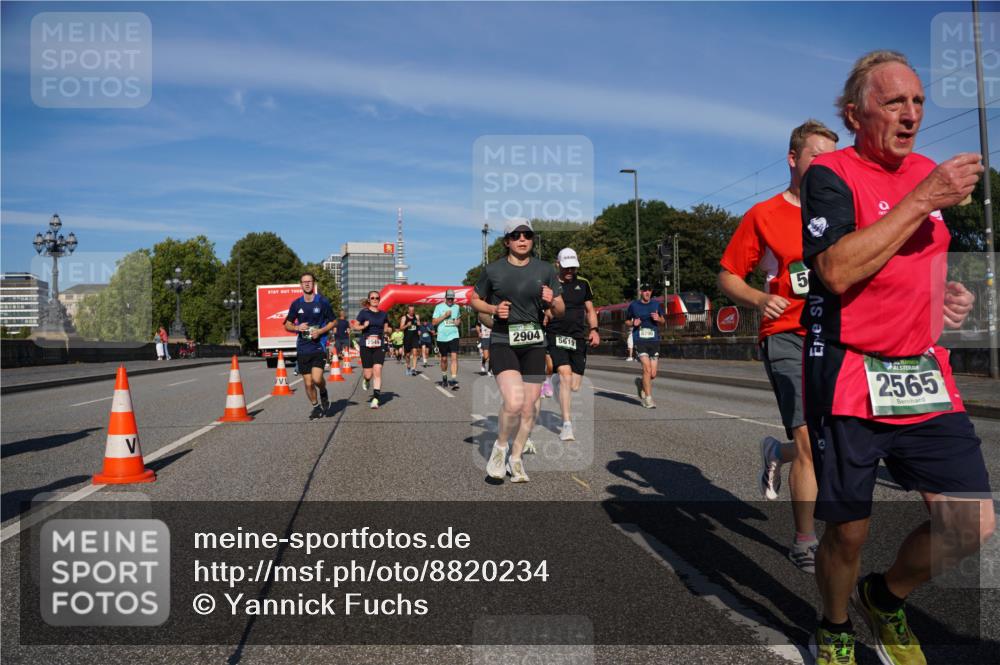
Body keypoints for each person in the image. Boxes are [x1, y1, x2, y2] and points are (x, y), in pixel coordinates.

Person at [800, 50, 993, 665]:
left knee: (972, 523)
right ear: (855, 114)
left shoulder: (929, 173)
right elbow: (835, 270)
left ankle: (884, 596)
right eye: (893, 103)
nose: (911, 115)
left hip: (923, 370)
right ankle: (833, 626)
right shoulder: (831, 174)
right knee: (850, 529)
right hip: (853, 369)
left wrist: (945, 298)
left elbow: (922, 262)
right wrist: (922, 197)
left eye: (917, 102)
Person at [719, 119, 839, 573]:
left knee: (831, 440)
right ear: (793, 159)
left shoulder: (846, 211)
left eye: (833, 158)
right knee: (808, 438)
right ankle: (805, 541)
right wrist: (759, 299)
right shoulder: (764, 215)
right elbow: (728, 273)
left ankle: (775, 453)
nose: (826, 166)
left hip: (836, 334)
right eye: (816, 157)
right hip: (786, 334)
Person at [470, 218, 564, 483]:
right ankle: (500, 448)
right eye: (516, 235)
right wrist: (492, 309)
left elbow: (560, 310)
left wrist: (552, 301)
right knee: (513, 402)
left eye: (527, 235)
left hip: (534, 343)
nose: (522, 239)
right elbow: (474, 299)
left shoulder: (545, 270)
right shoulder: (493, 270)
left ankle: (516, 457)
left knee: (530, 407)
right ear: (507, 241)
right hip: (503, 340)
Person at [544, 248, 600, 442]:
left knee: (575, 385)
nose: (570, 271)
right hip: (556, 334)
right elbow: (543, 309)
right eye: (567, 267)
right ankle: (566, 425)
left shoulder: (583, 284)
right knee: (565, 376)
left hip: (577, 337)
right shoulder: (549, 284)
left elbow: (590, 310)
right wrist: (546, 315)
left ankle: (558, 382)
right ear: (557, 264)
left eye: (573, 267)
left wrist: (594, 330)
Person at [282, 272, 335, 420]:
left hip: (319, 346)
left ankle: (323, 392)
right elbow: (287, 324)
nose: (307, 284)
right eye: (304, 282)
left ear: (314, 284)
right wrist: (297, 328)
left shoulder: (322, 301)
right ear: (300, 285)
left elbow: (333, 321)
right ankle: (315, 406)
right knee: (308, 383)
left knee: (317, 379)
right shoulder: (296, 304)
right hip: (303, 347)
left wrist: (321, 331)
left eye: (309, 281)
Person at [627, 284, 664, 408]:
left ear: (651, 292)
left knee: (652, 374)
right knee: (646, 369)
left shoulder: (656, 304)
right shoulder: (634, 305)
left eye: (649, 290)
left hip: (654, 340)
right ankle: (648, 399)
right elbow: (626, 321)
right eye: (644, 290)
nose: (647, 292)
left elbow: (663, 321)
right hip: (640, 340)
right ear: (640, 292)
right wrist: (633, 322)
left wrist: (658, 318)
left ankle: (641, 383)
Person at [352, 291, 389, 409]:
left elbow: (387, 328)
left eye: (377, 298)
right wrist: (364, 326)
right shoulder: (364, 313)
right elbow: (355, 326)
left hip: (379, 344)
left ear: (379, 299)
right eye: (372, 298)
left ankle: (375, 398)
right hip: (365, 345)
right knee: (368, 374)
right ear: (369, 300)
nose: (375, 299)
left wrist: (388, 331)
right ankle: (366, 380)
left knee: (377, 370)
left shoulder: (383, 314)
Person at [432, 289, 462, 390]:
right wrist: (445, 316)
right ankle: (444, 377)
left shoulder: (457, 307)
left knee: (454, 357)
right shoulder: (439, 307)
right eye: (448, 298)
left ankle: (453, 380)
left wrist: (458, 322)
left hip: (454, 335)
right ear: (445, 298)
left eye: (452, 298)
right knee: (444, 359)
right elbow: (434, 322)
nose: (450, 300)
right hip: (442, 337)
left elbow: (458, 319)